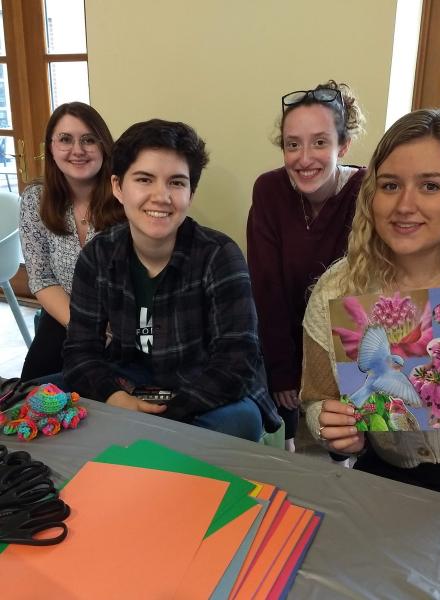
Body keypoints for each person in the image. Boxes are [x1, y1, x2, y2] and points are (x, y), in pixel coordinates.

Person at [62, 119, 281, 441]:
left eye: (176, 183)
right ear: (118, 187)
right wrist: (116, 398)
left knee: (241, 422)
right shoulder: (98, 256)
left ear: (190, 193)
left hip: (199, 383)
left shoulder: (219, 255)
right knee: (41, 393)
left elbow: (238, 359)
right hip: (129, 378)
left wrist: (169, 414)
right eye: (144, 179)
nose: (160, 196)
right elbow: (80, 351)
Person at [301, 108, 440, 493]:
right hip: (387, 476)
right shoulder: (338, 288)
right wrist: (329, 426)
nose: (404, 205)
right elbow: (318, 400)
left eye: (431, 186)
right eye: (389, 186)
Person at [247, 80, 365, 452]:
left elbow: (364, 291)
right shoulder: (269, 190)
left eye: (320, 142)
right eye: (292, 144)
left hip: (352, 351)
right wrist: (283, 371)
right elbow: (267, 287)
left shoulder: (368, 192)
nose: (304, 157)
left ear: (343, 145)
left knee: (344, 447)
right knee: (290, 444)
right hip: (280, 345)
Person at [19, 101, 124, 380]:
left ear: (104, 147)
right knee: (32, 395)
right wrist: (86, 330)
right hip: (65, 315)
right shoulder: (34, 200)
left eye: (89, 139)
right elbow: (41, 279)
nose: (77, 150)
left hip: (125, 323)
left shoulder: (128, 197)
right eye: (65, 139)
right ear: (51, 148)